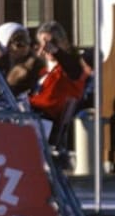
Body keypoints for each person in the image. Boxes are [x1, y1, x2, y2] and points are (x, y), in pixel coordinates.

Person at [29, 21, 91, 156]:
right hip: (30, 117)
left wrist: (57, 52)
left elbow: (75, 71)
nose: (47, 47)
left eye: (52, 42)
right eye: (44, 44)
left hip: (47, 124)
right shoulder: (42, 71)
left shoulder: (70, 66)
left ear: (63, 42)